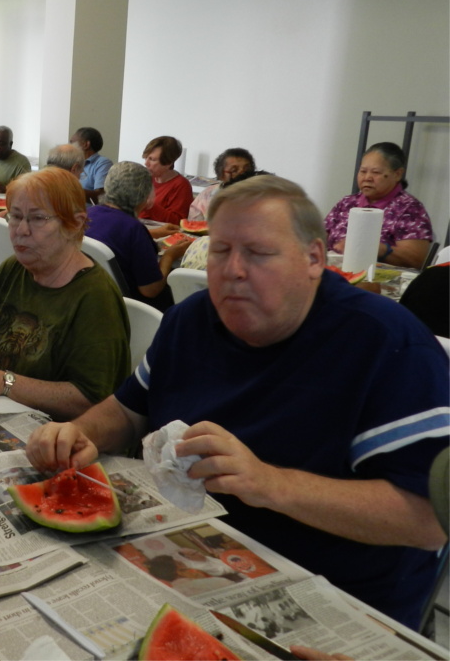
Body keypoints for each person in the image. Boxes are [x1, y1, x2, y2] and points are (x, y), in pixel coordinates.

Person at [26, 175, 449, 628]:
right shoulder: (189, 320)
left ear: (314, 259)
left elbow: (427, 521)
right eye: (221, 250)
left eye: (259, 253)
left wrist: (268, 483)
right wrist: (81, 433)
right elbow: (128, 410)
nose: (233, 270)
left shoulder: (387, 345)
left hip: (334, 597)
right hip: (192, 556)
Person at [0, 167, 131, 420]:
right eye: (15, 217)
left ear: (74, 224)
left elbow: (91, 400)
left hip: (60, 434)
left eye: (38, 218)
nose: (21, 230)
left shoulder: (96, 297)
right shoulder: (14, 268)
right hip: (1, 414)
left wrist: (4, 383)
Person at [87, 162, 191, 310]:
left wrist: (153, 232)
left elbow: (114, 236)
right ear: (143, 194)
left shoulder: (90, 214)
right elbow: (150, 290)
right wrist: (169, 256)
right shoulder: (133, 229)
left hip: (98, 299)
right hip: (136, 309)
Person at [324, 142, 433, 269]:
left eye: (375, 172)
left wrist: (375, 248)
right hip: (336, 272)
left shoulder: (410, 209)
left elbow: (415, 260)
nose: (367, 178)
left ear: (397, 174)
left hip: (381, 281)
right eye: (363, 171)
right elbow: (318, 236)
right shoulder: (347, 203)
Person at [188, 148, 256, 221]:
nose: (242, 173)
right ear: (221, 175)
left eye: (247, 169)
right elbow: (194, 221)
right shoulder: (207, 194)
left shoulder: (260, 194)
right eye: (234, 170)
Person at [138, 135, 193, 225]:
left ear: (168, 163)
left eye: (152, 159)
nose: (146, 163)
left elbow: (177, 222)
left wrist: (149, 205)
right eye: (146, 158)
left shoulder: (181, 185)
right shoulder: (145, 178)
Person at [72, 127, 111, 204]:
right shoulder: (71, 163)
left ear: (85, 145)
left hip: (88, 214)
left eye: (71, 143)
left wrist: (69, 190)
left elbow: (100, 196)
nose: (69, 146)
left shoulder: (102, 163)